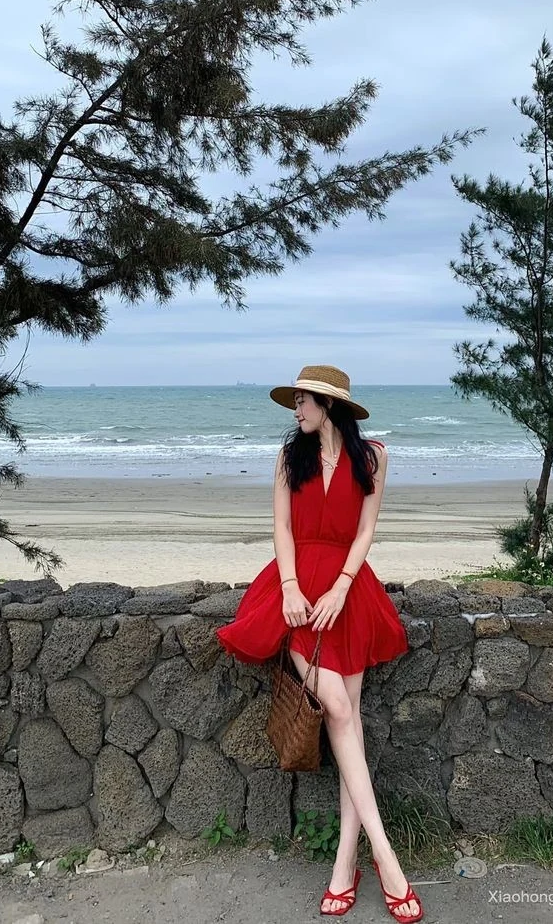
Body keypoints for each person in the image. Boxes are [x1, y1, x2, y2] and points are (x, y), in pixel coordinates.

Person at [217, 365, 423, 922]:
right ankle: (387, 857)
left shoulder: (373, 456)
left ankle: (344, 865)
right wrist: (289, 587)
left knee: (346, 718)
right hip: (298, 593)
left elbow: (365, 531)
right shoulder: (290, 459)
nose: (296, 410)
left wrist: (342, 587)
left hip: (348, 592)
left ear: (328, 405)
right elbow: (281, 529)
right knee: (336, 707)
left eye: (303, 401)